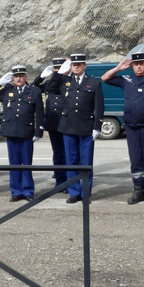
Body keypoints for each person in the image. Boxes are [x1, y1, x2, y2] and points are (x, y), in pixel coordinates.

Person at [101, 53, 144, 205]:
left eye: (141, 63)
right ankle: (138, 190)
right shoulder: (126, 80)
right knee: (136, 158)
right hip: (132, 126)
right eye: (135, 64)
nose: (138, 66)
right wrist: (118, 68)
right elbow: (105, 78)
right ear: (132, 66)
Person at [45, 53, 104, 204]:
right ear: (70, 67)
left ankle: (85, 193)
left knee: (85, 162)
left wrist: (97, 126)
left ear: (84, 66)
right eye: (73, 65)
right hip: (68, 126)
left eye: (79, 65)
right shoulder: (65, 81)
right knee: (71, 161)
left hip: (86, 126)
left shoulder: (93, 82)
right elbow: (50, 89)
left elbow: (99, 106)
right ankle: (73, 192)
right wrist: (59, 73)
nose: (76, 67)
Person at [0, 65, 44, 201]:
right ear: (13, 78)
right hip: (11, 131)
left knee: (26, 164)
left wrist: (39, 131)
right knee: (14, 164)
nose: (18, 78)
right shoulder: (7, 90)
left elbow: (40, 113)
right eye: (16, 76)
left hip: (26, 132)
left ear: (26, 77)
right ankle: (16, 191)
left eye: (21, 76)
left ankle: (28, 191)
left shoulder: (33, 91)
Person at [33, 58, 68, 191]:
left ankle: (68, 181)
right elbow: (33, 88)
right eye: (55, 69)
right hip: (53, 123)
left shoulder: (68, 82)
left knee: (68, 154)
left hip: (66, 122)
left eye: (60, 68)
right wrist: (41, 76)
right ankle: (59, 181)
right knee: (58, 153)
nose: (57, 71)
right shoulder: (49, 83)